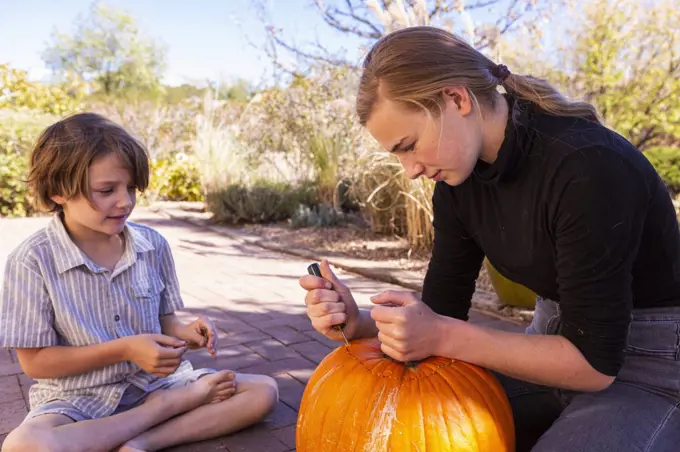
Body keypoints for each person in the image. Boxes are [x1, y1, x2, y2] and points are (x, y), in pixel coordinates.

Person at [300, 26, 680, 452]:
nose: (409, 170)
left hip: (652, 365)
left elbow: (594, 363)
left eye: (409, 145)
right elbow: (441, 312)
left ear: (457, 99)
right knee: (387, 425)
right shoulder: (457, 185)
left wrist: (439, 334)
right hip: (548, 348)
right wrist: (361, 323)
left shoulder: (588, 166)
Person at [0, 113, 278, 452]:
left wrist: (185, 334)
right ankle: (161, 413)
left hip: (155, 384)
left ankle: (143, 440)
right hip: (77, 400)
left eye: (131, 188)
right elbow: (35, 362)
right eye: (107, 190)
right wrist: (126, 349)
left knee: (263, 390)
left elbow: (165, 323)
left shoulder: (152, 245)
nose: (126, 201)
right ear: (59, 190)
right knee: (24, 446)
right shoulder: (32, 261)